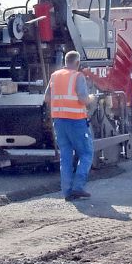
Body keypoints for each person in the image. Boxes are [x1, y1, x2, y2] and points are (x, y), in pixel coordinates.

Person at [44, 50, 95, 201]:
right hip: (76, 121)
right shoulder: (78, 76)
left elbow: (47, 98)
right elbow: (83, 99)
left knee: (65, 156)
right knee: (86, 153)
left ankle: (67, 192)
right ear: (77, 63)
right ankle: (78, 187)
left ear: (66, 61)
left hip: (59, 121)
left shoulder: (54, 76)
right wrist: (92, 98)